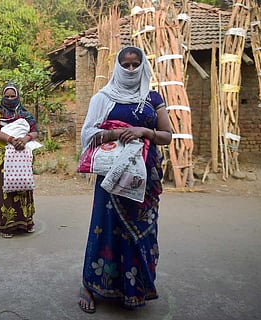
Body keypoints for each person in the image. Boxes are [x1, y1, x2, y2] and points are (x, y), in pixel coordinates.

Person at [78, 46, 173, 313]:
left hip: (145, 176)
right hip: (112, 174)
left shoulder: (153, 98)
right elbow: (89, 134)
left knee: (142, 230)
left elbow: (167, 135)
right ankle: (89, 284)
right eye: (126, 65)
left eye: (135, 64)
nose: (131, 69)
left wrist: (144, 131)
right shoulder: (104, 98)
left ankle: (135, 288)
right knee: (104, 226)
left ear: (142, 66)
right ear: (118, 67)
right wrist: (115, 134)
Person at [0, 83, 39, 239]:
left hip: (22, 154)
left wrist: (25, 139)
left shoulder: (25, 113)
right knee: (6, 186)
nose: (10, 99)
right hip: (4, 154)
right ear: (3, 96)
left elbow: (34, 130)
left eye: (12, 96)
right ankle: (5, 225)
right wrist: (10, 139)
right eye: (7, 96)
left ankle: (26, 223)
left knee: (24, 185)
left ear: (18, 96)